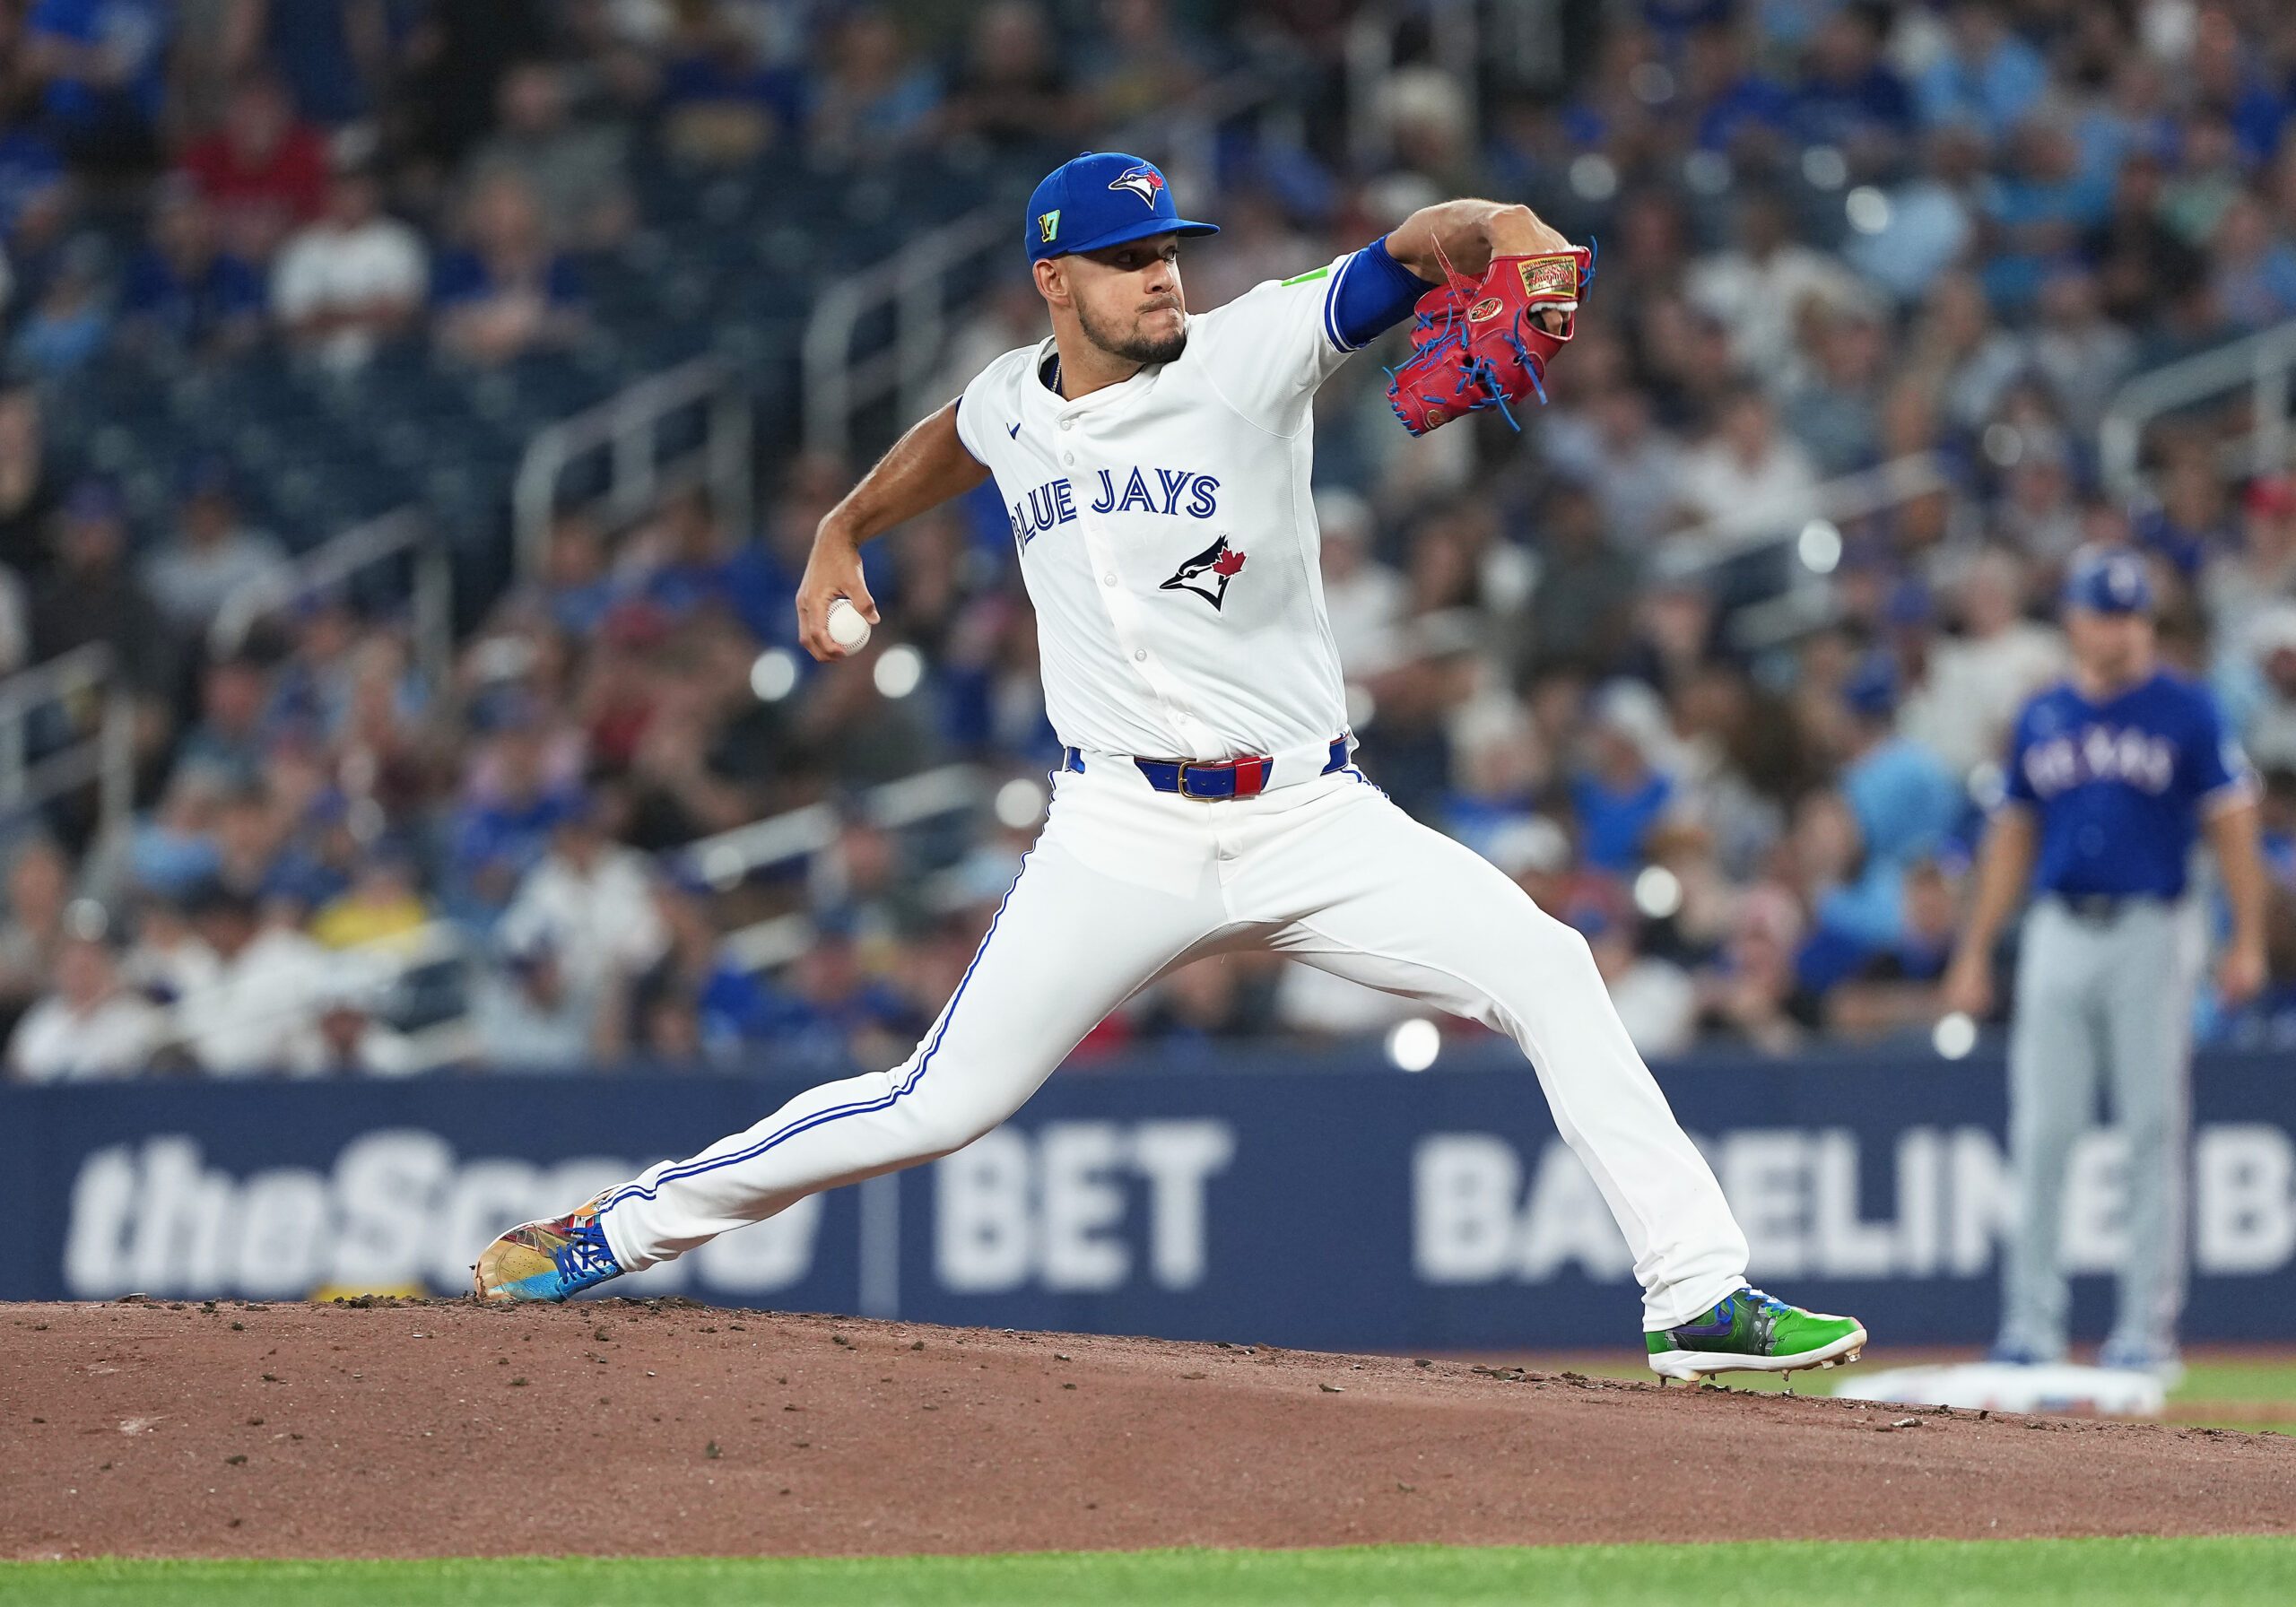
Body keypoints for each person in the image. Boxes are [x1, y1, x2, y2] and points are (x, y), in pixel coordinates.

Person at [474, 152, 1867, 1384]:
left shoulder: (1252, 346)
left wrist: (1507, 227)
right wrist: (843, 526)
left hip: (1311, 813)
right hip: (1119, 829)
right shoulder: (1009, 404)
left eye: (1169, 253)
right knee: (937, 1103)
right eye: (1130, 260)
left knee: (1551, 966)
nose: (1163, 279)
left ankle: (1694, 1295)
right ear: (1053, 283)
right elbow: (949, 442)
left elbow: (1413, 251)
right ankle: (619, 1230)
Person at [1942, 548, 2268, 1381]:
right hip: (2058, 925)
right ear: (2075, 621)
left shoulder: (2187, 709)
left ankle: (2145, 1331)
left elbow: (2233, 826)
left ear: (2145, 622)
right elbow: (2012, 834)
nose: (2118, 629)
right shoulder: (2042, 713)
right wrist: (1975, 951)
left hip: (2153, 927)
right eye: (2103, 613)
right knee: (2043, 1131)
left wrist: (2248, 939)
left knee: (2150, 1129)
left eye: (2131, 614)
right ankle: (2031, 1324)